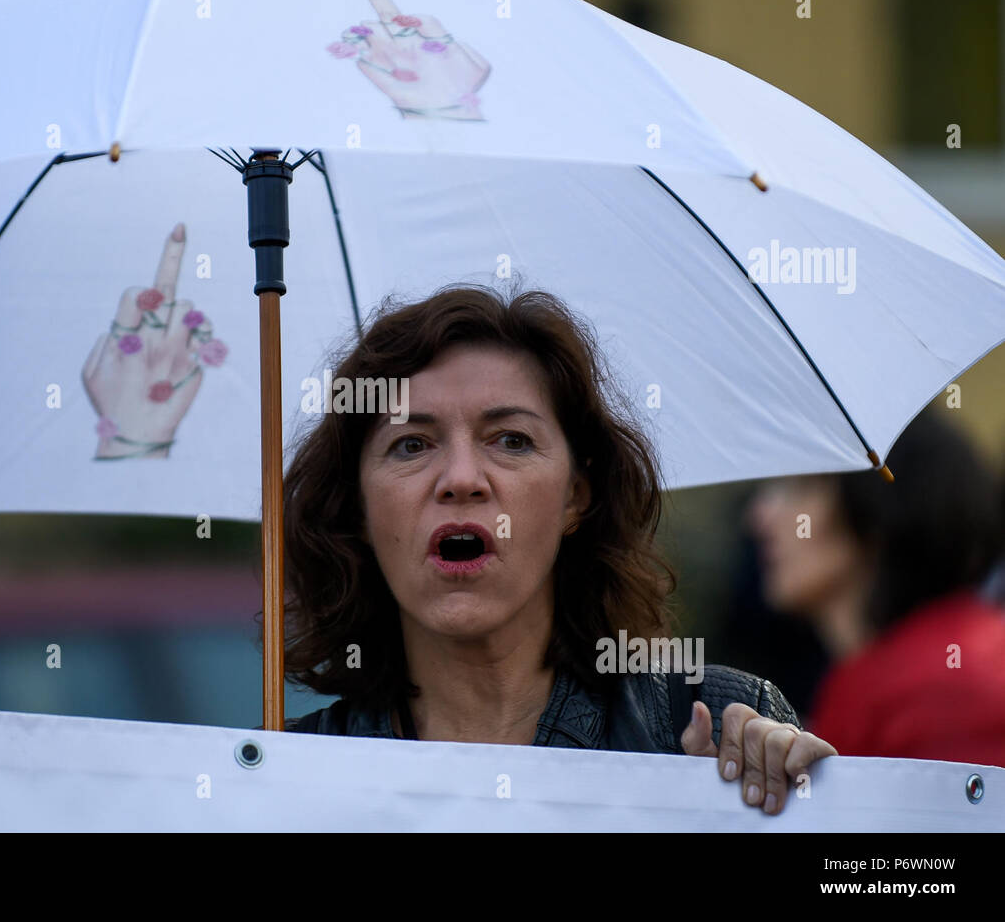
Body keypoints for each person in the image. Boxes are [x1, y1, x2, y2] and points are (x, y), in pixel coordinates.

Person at [280, 283, 836, 816]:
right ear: (357, 508)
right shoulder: (282, 780)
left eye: (512, 440)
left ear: (577, 496)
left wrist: (775, 809)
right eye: (411, 444)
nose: (461, 478)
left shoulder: (711, 730)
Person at [746, 409, 1005, 767]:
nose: (760, 516)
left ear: (879, 507)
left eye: (803, 487)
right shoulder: (887, 679)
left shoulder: (935, 695)